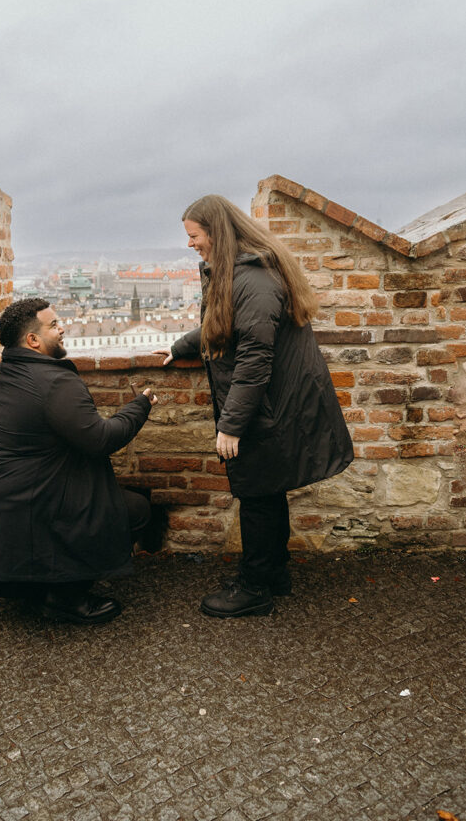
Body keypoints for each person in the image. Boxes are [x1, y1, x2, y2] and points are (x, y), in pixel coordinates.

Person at [158, 195, 353, 618]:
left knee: (257, 494)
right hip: (273, 404)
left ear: (216, 231)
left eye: (194, 235)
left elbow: (254, 359)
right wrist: (181, 345)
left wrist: (230, 426)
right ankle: (275, 574)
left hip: (270, 406)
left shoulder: (255, 280)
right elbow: (228, 324)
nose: (191, 244)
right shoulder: (243, 273)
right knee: (267, 491)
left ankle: (255, 588)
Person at [0, 297, 157, 627]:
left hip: (6, 500)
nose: (63, 328)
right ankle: (66, 598)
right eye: (54, 325)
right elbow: (101, 439)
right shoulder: (54, 381)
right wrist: (140, 406)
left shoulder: (9, 371)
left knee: (27, 570)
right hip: (38, 502)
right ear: (32, 340)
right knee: (134, 510)